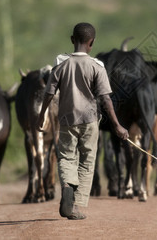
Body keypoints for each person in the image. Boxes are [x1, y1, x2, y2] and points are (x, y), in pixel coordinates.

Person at [37, 22, 128, 220]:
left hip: (67, 119)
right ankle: (75, 205)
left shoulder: (61, 64)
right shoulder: (98, 67)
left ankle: (67, 185)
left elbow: (49, 93)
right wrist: (117, 125)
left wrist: (42, 114)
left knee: (67, 156)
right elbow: (105, 99)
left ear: (72, 40)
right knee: (87, 160)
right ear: (92, 43)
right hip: (89, 120)